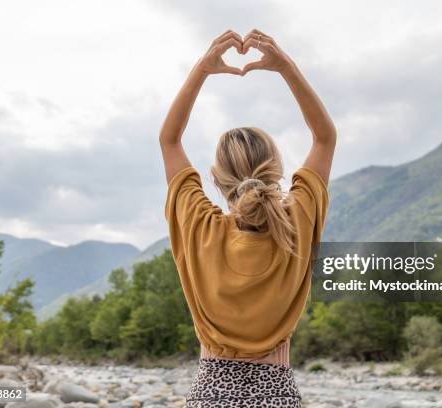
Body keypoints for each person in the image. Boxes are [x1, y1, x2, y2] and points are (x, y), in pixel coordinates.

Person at [160, 29, 336, 408]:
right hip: (278, 396)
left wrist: (201, 70)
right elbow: (324, 138)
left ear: (216, 178)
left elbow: (169, 140)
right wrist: (285, 66)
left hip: (209, 395)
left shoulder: (199, 227)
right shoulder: (297, 222)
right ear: (276, 171)